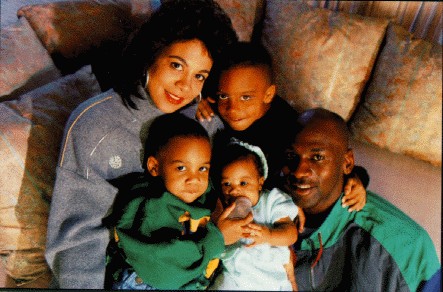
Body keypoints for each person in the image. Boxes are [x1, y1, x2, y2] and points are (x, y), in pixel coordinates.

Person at [45, 0, 238, 288]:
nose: (185, 86)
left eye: (199, 76)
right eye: (176, 66)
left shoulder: (203, 121)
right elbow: (77, 241)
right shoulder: (94, 124)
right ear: (151, 53)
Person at [281, 107, 441, 291]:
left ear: (347, 163)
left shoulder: (405, 245)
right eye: (291, 156)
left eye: (317, 157)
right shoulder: (262, 206)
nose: (299, 170)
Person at [198, 41, 367, 211]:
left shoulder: (287, 125)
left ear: (268, 94)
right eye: (224, 96)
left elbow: (329, 160)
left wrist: (357, 179)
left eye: (246, 98)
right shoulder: (216, 109)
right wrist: (200, 101)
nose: (232, 109)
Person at [104, 113, 245, 290]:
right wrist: (219, 237)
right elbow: (164, 275)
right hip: (146, 282)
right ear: (155, 167)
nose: (194, 179)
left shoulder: (200, 193)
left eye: (202, 168)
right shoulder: (153, 205)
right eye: (181, 168)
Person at [208, 138, 299, 291]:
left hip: (272, 276)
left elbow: (291, 234)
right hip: (235, 275)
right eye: (227, 184)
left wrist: (269, 235)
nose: (234, 190)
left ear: (260, 182)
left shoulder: (271, 201)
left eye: (243, 183)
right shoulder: (223, 208)